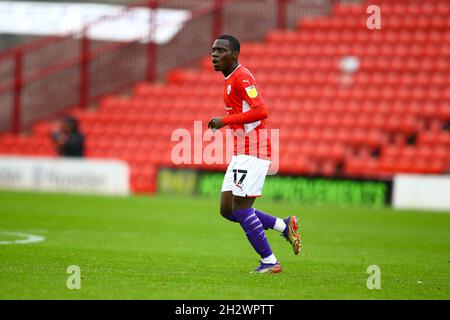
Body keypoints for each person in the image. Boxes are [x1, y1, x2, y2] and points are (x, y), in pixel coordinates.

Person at [208, 35, 301, 274]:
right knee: (227, 210)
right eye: (213, 51)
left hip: (255, 150)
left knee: (241, 208)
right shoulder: (229, 80)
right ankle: (283, 226)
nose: (215, 55)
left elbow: (262, 111)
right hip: (242, 151)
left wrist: (224, 121)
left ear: (235, 54)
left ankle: (270, 261)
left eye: (221, 51)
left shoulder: (242, 77)